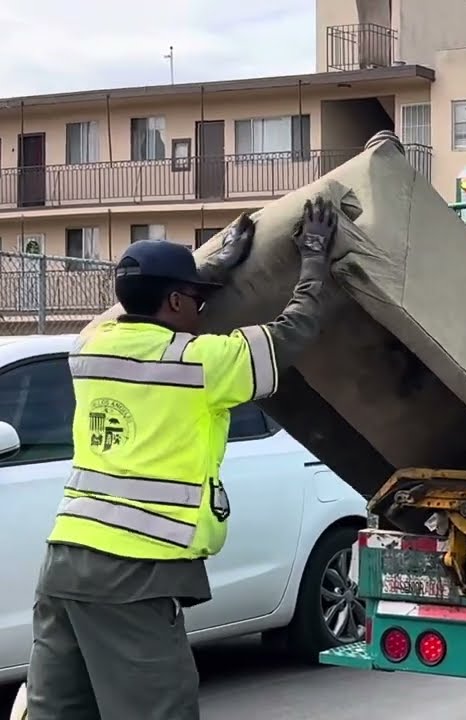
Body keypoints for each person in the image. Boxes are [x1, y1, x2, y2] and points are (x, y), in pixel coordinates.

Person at [22, 197, 341, 720]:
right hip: (136, 572)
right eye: (196, 299)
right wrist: (313, 262)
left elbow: (143, 308)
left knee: (57, 712)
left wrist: (213, 266)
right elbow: (288, 336)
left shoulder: (89, 346)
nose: (202, 310)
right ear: (174, 302)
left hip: (64, 564)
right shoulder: (196, 363)